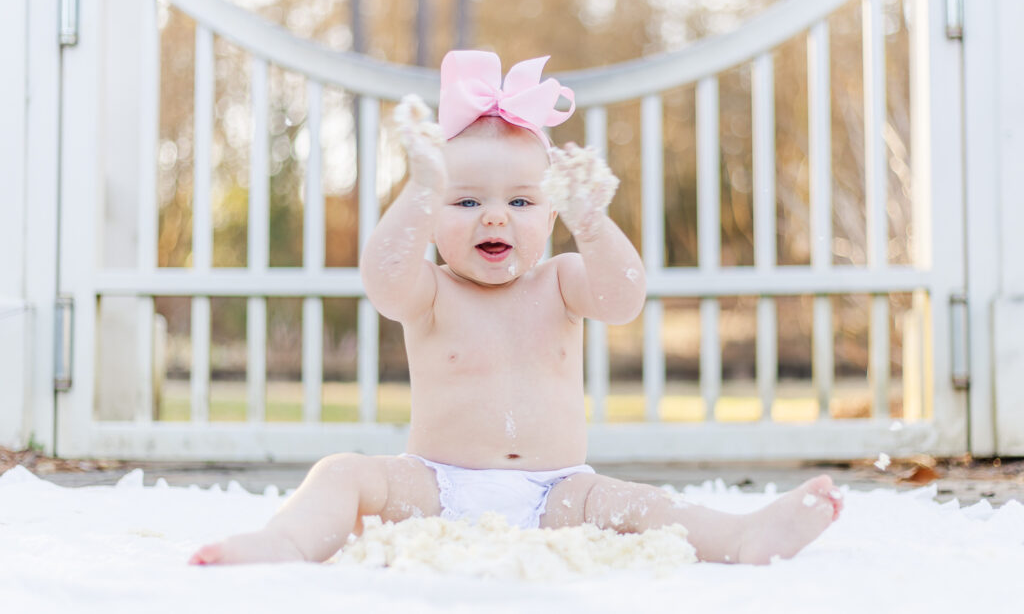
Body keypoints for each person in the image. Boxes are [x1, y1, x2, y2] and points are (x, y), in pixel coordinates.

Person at [189, 50, 842, 567]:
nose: (495, 214)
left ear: (553, 213)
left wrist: (594, 224)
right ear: (432, 216)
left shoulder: (561, 280)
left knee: (640, 502)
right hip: (434, 486)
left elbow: (623, 299)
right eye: (465, 200)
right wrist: (420, 186)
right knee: (342, 472)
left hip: (556, 489)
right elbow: (383, 282)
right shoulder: (432, 289)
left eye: (522, 202)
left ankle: (742, 537)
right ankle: (288, 543)